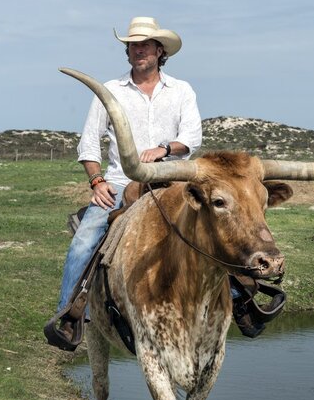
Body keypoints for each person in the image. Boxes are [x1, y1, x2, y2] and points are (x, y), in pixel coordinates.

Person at [48, 17, 202, 349]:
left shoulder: (182, 90)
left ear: (160, 51)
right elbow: (88, 145)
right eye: (132, 45)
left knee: (217, 222)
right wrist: (97, 181)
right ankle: (72, 317)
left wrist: (163, 148)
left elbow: (191, 138)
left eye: (145, 44)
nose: (138, 50)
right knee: (84, 241)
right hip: (121, 180)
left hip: (172, 178)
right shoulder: (110, 91)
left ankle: (240, 296)